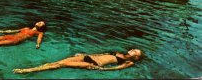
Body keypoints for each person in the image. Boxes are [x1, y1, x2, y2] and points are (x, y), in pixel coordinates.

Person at [13, 49, 143, 73]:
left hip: (93, 64)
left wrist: (102, 69)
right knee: (58, 62)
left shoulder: (130, 62)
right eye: (133, 49)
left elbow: (116, 68)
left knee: (61, 64)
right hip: (87, 57)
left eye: (135, 52)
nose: (132, 50)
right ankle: (35, 69)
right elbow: (102, 54)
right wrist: (85, 54)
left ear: (136, 57)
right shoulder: (119, 52)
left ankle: (28, 70)